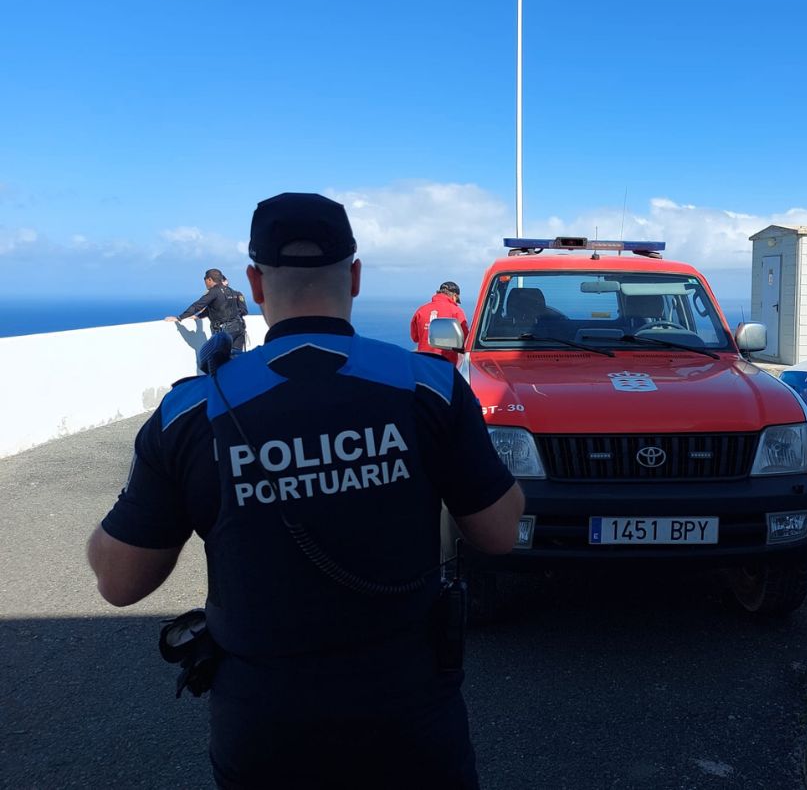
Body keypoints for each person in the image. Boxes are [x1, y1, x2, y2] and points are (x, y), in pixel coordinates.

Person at [88, 192, 525, 789]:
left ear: (256, 284)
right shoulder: (431, 389)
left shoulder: (190, 412)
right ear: (356, 276)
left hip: (265, 727)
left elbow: (120, 581)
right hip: (412, 719)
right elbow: (499, 533)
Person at [166, 268, 248, 352]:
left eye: (204, 280)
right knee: (237, 357)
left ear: (209, 280)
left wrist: (179, 318)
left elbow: (197, 306)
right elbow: (217, 308)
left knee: (220, 360)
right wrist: (198, 316)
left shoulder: (213, 291)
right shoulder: (233, 292)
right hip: (238, 328)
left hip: (224, 331)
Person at [411, 281, 469, 364]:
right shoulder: (456, 311)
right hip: (446, 364)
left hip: (423, 361)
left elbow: (415, 338)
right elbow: (466, 340)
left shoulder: (421, 310)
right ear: (454, 296)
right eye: (456, 300)